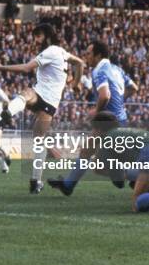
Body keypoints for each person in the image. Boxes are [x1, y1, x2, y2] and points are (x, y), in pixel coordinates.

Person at [0, 23, 85, 193]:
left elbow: (27, 68)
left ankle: (9, 112)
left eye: (38, 36)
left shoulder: (50, 51)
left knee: (27, 93)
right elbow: (80, 63)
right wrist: (76, 83)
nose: (36, 40)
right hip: (51, 104)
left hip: (41, 95)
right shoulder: (63, 53)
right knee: (39, 140)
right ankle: (35, 181)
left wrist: (1, 68)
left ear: (47, 36)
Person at [52, 40, 139, 194]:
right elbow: (133, 88)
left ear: (98, 55)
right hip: (119, 118)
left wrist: (96, 111)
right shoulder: (116, 69)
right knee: (89, 151)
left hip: (108, 121)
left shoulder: (99, 70)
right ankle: (68, 185)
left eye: (89, 53)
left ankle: (137, 177)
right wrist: (119, 101)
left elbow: (104, 95)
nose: (86, 56)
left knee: (101, 163)